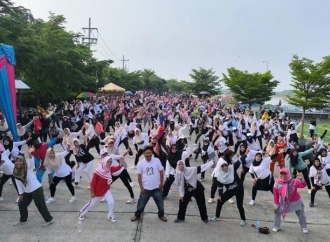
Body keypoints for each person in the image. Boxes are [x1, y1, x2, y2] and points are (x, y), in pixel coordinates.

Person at [13, 147, 54, 227]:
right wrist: (20, 194)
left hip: (36, 189)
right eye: (17, 161)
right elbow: (19, 184)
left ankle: (49, 219)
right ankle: (23, 220)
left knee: (40, 205)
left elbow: (31, 164)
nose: (18, 163)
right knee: (21, 203)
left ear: (23, 161)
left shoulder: (27, 167)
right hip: (27, 191)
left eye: (20, 161)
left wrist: (30, 155)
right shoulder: (15, 172)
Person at [79, 155, 125, 222]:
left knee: (111, 202)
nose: (109, 163)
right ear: (104, 161)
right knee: (91, 204)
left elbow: (118, 167)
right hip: (96, 191)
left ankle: (110, 215)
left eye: (110, 162)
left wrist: (122, 161)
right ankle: (81, 213)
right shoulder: (97, 171)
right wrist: (92, 192)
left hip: (106, 189)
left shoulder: (110, 169)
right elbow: (93, 183)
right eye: (108, 162)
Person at [131, 146, 167, 222]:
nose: (148, 154)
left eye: (150, 152)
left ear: (152, 153)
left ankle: (161, 215)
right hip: (145, 189)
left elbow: (161, 171)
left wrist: (161, 183)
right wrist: (141, 188)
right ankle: (137, 215)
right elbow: (139, 176)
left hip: (157, 188)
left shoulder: (157, 160)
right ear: (144, 154)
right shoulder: (141, 163)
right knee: (141, 205)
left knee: (160, 204)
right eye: (146, 153)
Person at [209, 158, 246, 226]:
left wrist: (246, 153)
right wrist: (220, 195)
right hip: (230, 191)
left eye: (225, 165)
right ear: (220, 167)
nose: (224, 167)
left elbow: (239, 161)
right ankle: (217, 216)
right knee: (220, 201)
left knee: (239, 205)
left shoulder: (232, 168)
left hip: (239, 190)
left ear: (227, 165)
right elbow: (220, 186)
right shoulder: (219, 175)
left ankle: (243, 219)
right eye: (222, 166)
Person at [273, 168, 308, 234]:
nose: (283, 175)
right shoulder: (277, 183)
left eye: (285, 174)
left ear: (288, 174)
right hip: (284, 202)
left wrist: (301, 179)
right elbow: (276, 196)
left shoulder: (294, 181)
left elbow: (303, 185)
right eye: (282, 174)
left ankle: (304, 227)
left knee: (301, 214)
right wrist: (276, 206)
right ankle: (276, 226)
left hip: (296, 202)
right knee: (276, 212)